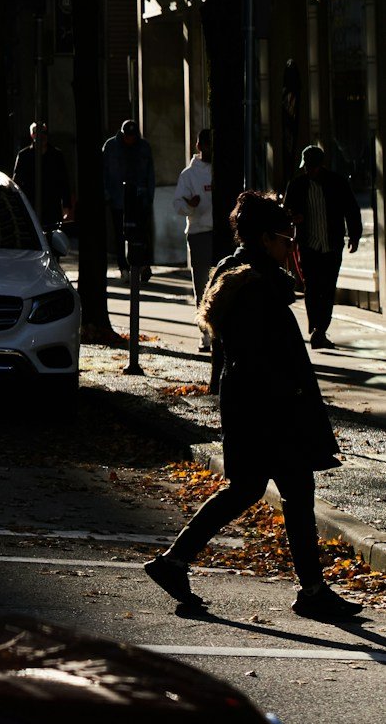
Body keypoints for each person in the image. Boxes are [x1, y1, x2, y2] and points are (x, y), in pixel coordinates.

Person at [144, 190, 359, 623]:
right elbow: (263, 355)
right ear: (265, 239)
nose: (291, 246)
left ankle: (174, 561)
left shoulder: (238, 274)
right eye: (285, 238)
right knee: (294, 493)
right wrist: (293, 400)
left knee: (248, 488)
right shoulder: (255, 286)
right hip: (270, 409)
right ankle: (312, 591)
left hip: (250, 404)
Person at [285, 143, 363, 349]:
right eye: (306, 167)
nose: (308, 171)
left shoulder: (337, 183)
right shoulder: (297, 185)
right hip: (309, 245)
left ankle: (320, 330)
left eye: (312, 167)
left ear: (321, 166)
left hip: (331, 245)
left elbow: (351, 210)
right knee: (312, 287)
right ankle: (316, 329)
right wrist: (294, 218)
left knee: (328, 288)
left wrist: (354, 236)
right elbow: (286, 212)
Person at [101, 117, 155, 281]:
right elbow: (103, 171)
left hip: (139, 199)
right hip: (118, 199)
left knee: (141, 233)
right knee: (120, 234)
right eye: (128, 136)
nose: (130, 139)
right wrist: (107, 194)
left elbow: (150, 173)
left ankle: (142, 265)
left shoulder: (144, 147)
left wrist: (149, 197)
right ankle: (124, 267)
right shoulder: (111, 146)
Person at [173, 127, 214, 304]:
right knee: (203, 283)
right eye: (207, 146)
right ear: (199, 146)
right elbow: (178, 204)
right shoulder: (189, 175)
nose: (210, 150)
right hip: (200, 233)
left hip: (221, 232)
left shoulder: (224, 169)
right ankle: (204, 324)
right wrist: (190, 206)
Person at [13, 122, 71, 230]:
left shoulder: (56, 155)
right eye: (37, 132)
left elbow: (64, 181)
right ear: (32, 135)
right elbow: (17, 181)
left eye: (44, 132)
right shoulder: (24, 155)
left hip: (52, 205)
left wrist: (66, 205)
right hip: (31, 204)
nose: (41, 135)